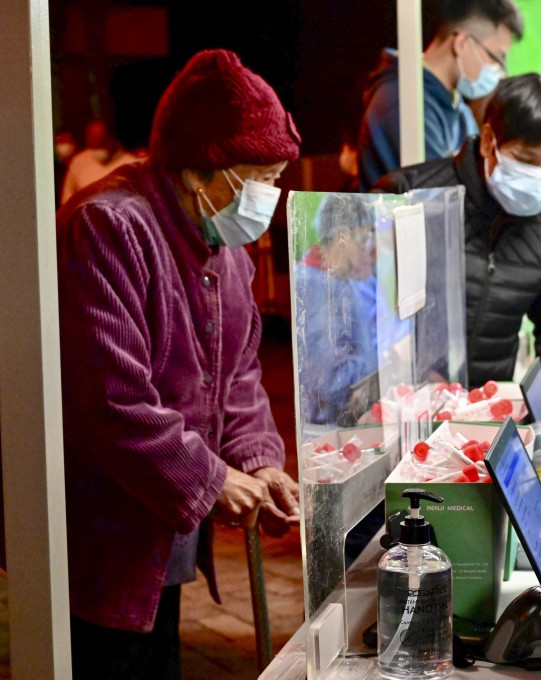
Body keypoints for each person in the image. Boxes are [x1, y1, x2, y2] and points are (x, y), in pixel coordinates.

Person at [56, 49, 302, 679]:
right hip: (102, 527)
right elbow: (112, 401)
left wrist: (259, 461)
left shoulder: (224, 240)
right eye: (260, 178)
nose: (269, 197)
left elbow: (239, 373)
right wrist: (212, 480)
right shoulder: (107, 226)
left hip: (165, 524)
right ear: (198, 171)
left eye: (277, 178)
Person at [376, 73, 541, 411]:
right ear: (490, 141)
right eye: (526, 160)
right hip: (398, 411)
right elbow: (360, 304)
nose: (537, 176)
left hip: (483, 419)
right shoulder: (410, 197)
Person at [357, 0, 524, 190]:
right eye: (496, 58)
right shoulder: (404, 102)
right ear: (462, 43)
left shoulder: (458, 108)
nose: (500, 72)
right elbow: (436, 193)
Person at [294, 195, 380, 426]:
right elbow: (328, 378)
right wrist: (375, 372)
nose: (367, 248)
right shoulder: (312, 285)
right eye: (363, 239)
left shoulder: (340, 280)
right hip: (329, 425)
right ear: (343, 236)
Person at [60, 118, 141, 205]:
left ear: (111, 138)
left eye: (101, 143)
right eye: (93, 142)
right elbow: (66, 200)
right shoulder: (78, 162)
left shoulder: (131, 164)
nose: (98, 149)